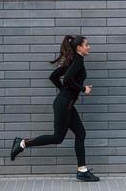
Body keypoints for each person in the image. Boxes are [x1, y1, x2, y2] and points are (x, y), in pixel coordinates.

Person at [10, 35, 100, 182]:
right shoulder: (77, 61)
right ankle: (22, 143)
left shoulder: (73, 61)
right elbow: (68, 80)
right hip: (64, 104)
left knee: (81, 133)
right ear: (79, 48)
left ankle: (82, 170)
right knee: (58, 138)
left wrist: (65, 92)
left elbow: (54, 77)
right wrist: (83, 89)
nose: (89, 47)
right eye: (87, 45)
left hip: (66, 103)